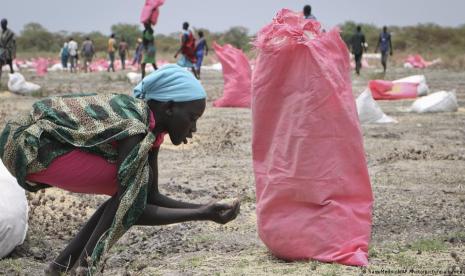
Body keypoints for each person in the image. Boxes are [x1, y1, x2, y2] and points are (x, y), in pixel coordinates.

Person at [0, 64, 241, 275]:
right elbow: (134, 207)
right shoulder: (135, 126)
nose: (194, 128)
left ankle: (60, 268)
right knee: (129, 189)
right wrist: (201, 214)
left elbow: (151, 196)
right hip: (26, 144)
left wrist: (205, 208)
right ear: (169, 108)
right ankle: (85, 267)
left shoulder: (151, 131)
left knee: (131, 187)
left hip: (37, 143)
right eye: (192, 117)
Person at [0, 18, 16, 84]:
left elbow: (14, 43)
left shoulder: (10, 33)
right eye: (1, 24)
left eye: (3, 24)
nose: (2, 25)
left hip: (7, 50)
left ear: (6, 24)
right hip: (1, 50)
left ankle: (13, 79)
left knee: (10, 64)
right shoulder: (1, 32)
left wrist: (14, 52)